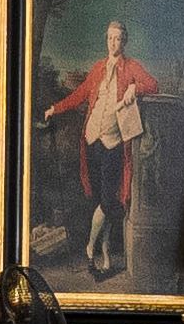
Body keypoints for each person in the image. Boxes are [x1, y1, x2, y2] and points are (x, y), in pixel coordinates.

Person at [40, 17, 164, 284]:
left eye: (118, 38)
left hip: (114, 142)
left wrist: (134, 86)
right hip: (92, 139)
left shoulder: (132, 67)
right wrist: (55, 108)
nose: (113, 43)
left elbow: (153, 85)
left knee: (110, 201)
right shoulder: (98, 68)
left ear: (124, 41)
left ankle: (90, 246)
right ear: (106, 39)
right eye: (110, 38)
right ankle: (105, 256)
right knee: (101, 202)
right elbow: (81, 94)